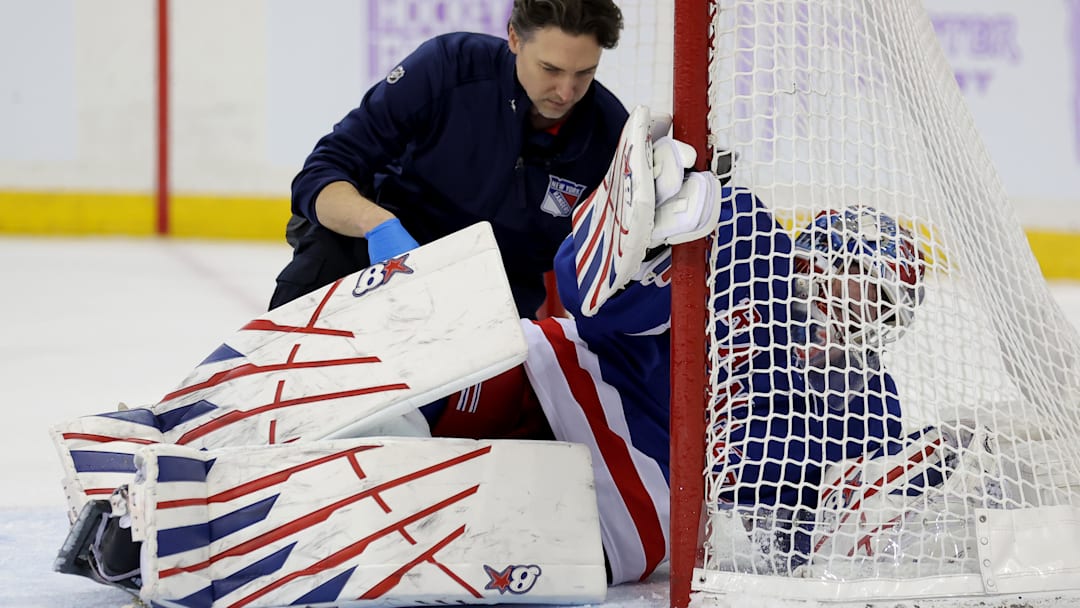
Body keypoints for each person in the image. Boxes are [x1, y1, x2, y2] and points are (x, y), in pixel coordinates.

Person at [52, 117, 931, 600]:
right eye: (859, 285)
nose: (862, 316)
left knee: (403, 495)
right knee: (394, 386)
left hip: (624, 498)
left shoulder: (867, 405)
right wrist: (648, 241)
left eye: (883, 310)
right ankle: (167, 443)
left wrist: (912, 484)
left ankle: (169, 540)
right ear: (822, 252)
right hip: (557, 367)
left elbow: (800, 529)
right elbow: (584, 290)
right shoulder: (742, 235)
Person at [271, 0, 629, 319]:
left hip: (491, 302)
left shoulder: (609, 133)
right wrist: (378, 226)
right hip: (374, 259)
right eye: (550, 69)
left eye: (585, 73)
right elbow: (321, 172)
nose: (566, 92)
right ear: (515, 39)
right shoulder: (450, 67)